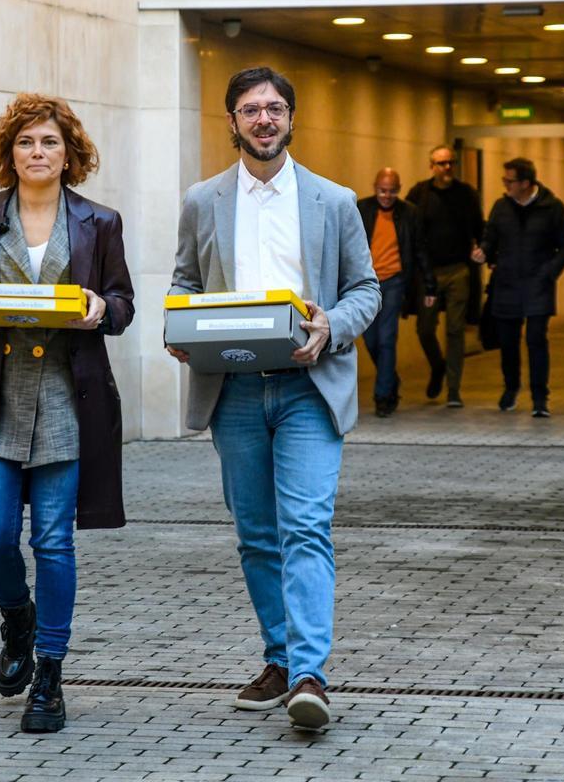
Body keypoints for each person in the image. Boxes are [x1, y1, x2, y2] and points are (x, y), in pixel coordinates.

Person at [167, 67, 380, 730]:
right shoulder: (202, 201)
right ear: (231, 122)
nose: (264, 119)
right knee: (258, 536)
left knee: (306, 527)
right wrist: (181, 329)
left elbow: (365, 290)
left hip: (307, 389)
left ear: (291, 119)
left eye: (275, 108)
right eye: (251, 109)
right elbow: (183, 282)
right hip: (232, 389)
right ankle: (283, 660)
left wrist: (331, 327)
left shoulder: (334, 201)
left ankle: (311, 673)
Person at [0, 93, 135, 733]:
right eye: (26, 142)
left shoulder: (99, 222)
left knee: (53, 542)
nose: (38, 152)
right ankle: (17, 617)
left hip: (65, 404)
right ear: (9, 153)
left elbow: (123, 303)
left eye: (49, 142)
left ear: (69, 152)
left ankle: (49, 671)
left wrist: (102, 310)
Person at [481, 157, 564, 417]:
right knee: (508, 342)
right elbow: (490, 238)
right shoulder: (501, 207)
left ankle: (539, 398)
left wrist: (549, 272)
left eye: (509, 180)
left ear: (525, 183)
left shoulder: (552, 207)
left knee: (536, 340)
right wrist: (484, 253)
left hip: (538, 286)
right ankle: (511, 389)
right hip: (507, 284)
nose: (505, 185)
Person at [405, 145, 485, 408]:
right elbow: (408, 229)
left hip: (458, 271)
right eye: (441, 164)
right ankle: (438, 366)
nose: (447, 168)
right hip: (428, 275)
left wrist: (483, 250)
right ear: (432, 166)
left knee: (455, 330)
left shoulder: (466, 195)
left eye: (451, 162)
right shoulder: (420, 193)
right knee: (425, 329)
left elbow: (479, 228)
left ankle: (453, 389)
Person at [356, 168, 432, 417]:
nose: (386, 196)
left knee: (387, 338)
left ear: (398, 190)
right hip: (366, 282)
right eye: (382, 190)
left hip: (395, 282)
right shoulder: (362, 209)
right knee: (370, 339)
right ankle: (390, 379)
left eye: (392, 191)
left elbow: (421, 250)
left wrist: (430, 286)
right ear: (375, 187)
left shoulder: (410, 213)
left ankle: (383, 396)